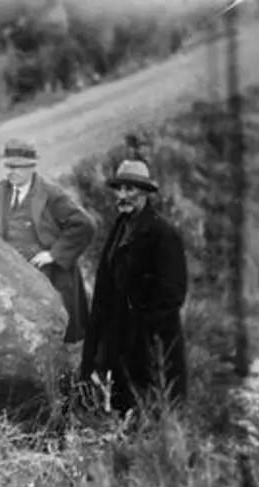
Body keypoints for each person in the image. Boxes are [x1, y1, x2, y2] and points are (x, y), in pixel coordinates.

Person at [80, 160, 189, 417]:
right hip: (121, 340)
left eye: (131, 190)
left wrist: (142, 330)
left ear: (145, 193)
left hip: (152, 346)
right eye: (120, 189)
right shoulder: (120, 227)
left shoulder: (163, 234)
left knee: (152, 410)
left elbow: (173, 294)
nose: (123, 196)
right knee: (123, 410)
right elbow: (106, 286)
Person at [0, 138, 95, 345]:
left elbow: (84, 225)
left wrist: (54, 254)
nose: (10, 172)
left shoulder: (51, 195)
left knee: (57, 334)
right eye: (7, 166)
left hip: (48, 278)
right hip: (11, 279)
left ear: (31, 167)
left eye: (16, 167)